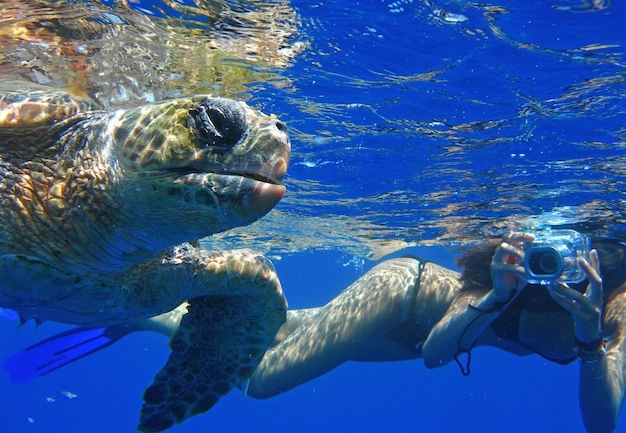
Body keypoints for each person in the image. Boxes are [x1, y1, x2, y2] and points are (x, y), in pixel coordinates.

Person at [5, 231, 625, 432]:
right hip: (400, 296)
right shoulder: (514, 271)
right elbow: (442, 355)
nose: (567, 272)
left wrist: (594, 335)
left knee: (265, 332)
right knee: (260, 379)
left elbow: (603, 424)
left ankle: (121, 303)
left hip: (410, 338)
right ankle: (129, 303)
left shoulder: (617, 313)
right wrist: (496, 297)